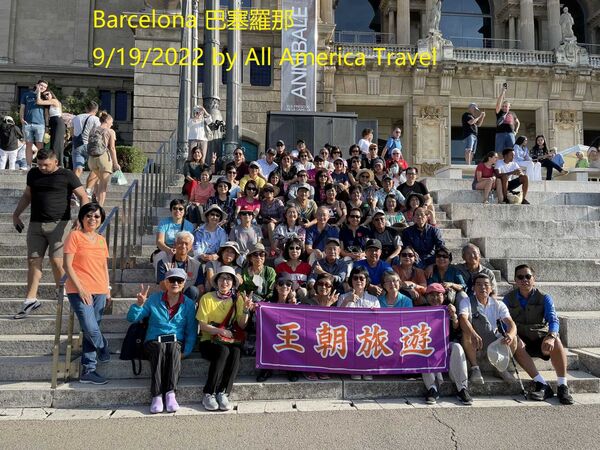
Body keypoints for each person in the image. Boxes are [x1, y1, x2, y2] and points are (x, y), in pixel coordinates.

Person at [12, 149, 89, 319]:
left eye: (46, 165)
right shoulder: (33, 174)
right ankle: (30, 299)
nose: (42, 168)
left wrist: (81, 217)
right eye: (39, 164)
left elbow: (84, 196)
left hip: (59, 224)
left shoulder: (67, 175)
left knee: (57, 261)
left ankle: (61, 291)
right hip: (36, 224)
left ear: (55, 162)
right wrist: (16, 214)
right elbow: (27, 195)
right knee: (33, 261)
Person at [128, 269, 198, 413]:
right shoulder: (154, 299)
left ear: (184, 283)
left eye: (179, 280)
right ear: (166, 282)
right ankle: (157, 395)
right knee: (159, 348)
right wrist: (139, 305)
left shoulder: (189, 304)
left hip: (175, 342)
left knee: (173, 347)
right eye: (171, 280)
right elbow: (132, 318)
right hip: (153, 340)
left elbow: (191, 330)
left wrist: (186, 351)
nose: (175, 283)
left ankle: (170, 393)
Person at [503, 265, 574, 404]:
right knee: (514, 339)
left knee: (556, 340)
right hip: (521, 340)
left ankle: (562, 386)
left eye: (528, 276)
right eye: (520, 277)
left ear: (533, 279)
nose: (524, 280)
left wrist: (551, 336)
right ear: (515, 280)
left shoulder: (544, 298)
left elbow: (553, 319)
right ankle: (542, 384)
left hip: (540, 339)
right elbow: (504, 320)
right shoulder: (508, 299)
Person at [63, 203, 111, 385]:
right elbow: (67, 265)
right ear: (82, 218)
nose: (92, 219)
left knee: (91, 328)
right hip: (79, 290)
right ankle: (103, 345)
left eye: (97, 216)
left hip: (100, 289)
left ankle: (88, 370)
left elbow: (104, 266)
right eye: (89, 215)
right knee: (91, 328)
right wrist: (81, 289)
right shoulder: (74, 236)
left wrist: (107, 289)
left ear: (101, 220)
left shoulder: (101, 240)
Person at [197, 266, 255, 411]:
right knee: (223, 351)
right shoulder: (206, 298)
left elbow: (242, 324)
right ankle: (208, 393)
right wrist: (220, 330)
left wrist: (246, 310)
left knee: (236, 352)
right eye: (222, 278)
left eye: (229, 279)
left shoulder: (238, 298)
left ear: (233, 283)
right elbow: (202, 326)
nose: (225, 282)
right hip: (209, 340)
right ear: (216, 281)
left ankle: (223, 392)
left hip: (229, 339)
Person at [458, 274, 521, 385]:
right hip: (475, 342)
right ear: (473, 288)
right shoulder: (466, 302)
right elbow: (463, 319)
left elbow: (510, 323)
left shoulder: (499, 304)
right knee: (466, 333)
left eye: (486, 285)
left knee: (514, 338)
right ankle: (475, 368)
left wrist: (510, 335)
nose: (483, 287)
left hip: (493, 340)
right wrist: (473, 333)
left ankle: (500, 367)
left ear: (491, 288)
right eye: (479, 284)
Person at [420, 283, 472, 405]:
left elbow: (456, 329)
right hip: (428, 345)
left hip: (446, 345)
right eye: (431, 295)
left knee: (457, 347)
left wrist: (453, 316)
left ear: (444, 296)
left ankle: (462, 388)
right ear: (426, 297)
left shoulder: (448, 309)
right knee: (423, 348)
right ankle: (432, 388)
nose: (435, 298)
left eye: (438, 295)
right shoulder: (421, 309)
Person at [156, 231, 205, 302]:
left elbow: (200, 287)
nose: (183, 246)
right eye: (180, 243)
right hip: (170, 297)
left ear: (191, 246)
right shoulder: (163, 262)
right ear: (174, 244)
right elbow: (163, 285)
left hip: (188, 299)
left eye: (186, 244)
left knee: (193, 290)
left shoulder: (197, 265)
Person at [85, 111, 121, 206]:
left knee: (97, 180)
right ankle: (100, 208)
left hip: (92, 159)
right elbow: (112, 148)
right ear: (107, 121)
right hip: (104, 158)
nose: (112, 124)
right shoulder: (110, 131)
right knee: (103, 186)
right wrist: (115, 163)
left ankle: (94, 196)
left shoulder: (93, 130)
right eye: (111, 122)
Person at [154, 199, 195, 265]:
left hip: (183, 250)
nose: (177, 211)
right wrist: (169, 250)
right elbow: (159, 241)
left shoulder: (189, 225)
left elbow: (190, 243)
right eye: (175, 208)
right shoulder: (163, 223)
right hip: (166, 250)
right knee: (161, 260)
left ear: (184, 211)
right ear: (171, 210)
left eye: (180, 209)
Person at [20, 80, 48, 167]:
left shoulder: (44, 97)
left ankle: (41, 165)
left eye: (45, 87)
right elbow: (22, 108)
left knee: (40, 145)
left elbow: (46, 113)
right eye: (41, 85)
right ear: (37, 85)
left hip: (40, 124)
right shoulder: (26, 95)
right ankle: (29, 165)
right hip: (27, 124)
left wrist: (47, 125)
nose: (43, 87)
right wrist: (21, 118)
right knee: (29, 145)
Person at [275, 237, 311, 301]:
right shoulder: (280, 267)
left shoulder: (307, 267)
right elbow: (278, 285)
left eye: (297, 248)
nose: (294, 251)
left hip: (302, 296)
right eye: (291, 248)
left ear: (301, 250)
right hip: (285, 293)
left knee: (303, 291)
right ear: (287, 250)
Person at [36, 89, 66, 167]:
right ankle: (54, 161)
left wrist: (38, 92)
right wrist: (47, 126)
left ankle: (59, 163)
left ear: (51, 94)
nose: (46, 96)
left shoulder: (54, 101)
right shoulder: (49, 105)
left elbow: (39, 102)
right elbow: (47, 116)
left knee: (57, 143)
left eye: (47, 94)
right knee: (52, 143)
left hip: (57, 122)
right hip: (52, 122)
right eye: (44, 95)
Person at [71, 101, 101, 179]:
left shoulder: (76, 117)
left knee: (78, 169)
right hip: (90, 146)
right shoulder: (95, 119)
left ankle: (74, 185)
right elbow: (97, 134)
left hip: (77, 145)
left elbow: (72, 133)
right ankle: (90, 186)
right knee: (95, 169)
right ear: (96, 110)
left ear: (86, 108)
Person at [258, 183, 284, 255]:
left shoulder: (278, 202)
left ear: (273, 193)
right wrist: (265, 220)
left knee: (271, 225)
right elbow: (260, 217)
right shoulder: (262, 203)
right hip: (265, 224)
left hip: (277, 225)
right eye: (266, 191)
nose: (268, 192)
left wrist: (276, 221)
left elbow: (283, 217)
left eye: (270, 190)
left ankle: (273, 247)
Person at [495, 85, 520, 152]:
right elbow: (498, 104)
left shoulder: (512, 113)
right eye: (503, 106)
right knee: (499, 151)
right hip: (500, 134)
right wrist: (503, 92)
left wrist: (516, 131)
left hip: (510, 134)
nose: (504, 107)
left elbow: (518, 122)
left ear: (509, 107)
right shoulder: (500, 112)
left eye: (506, 106)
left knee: (511, 151)